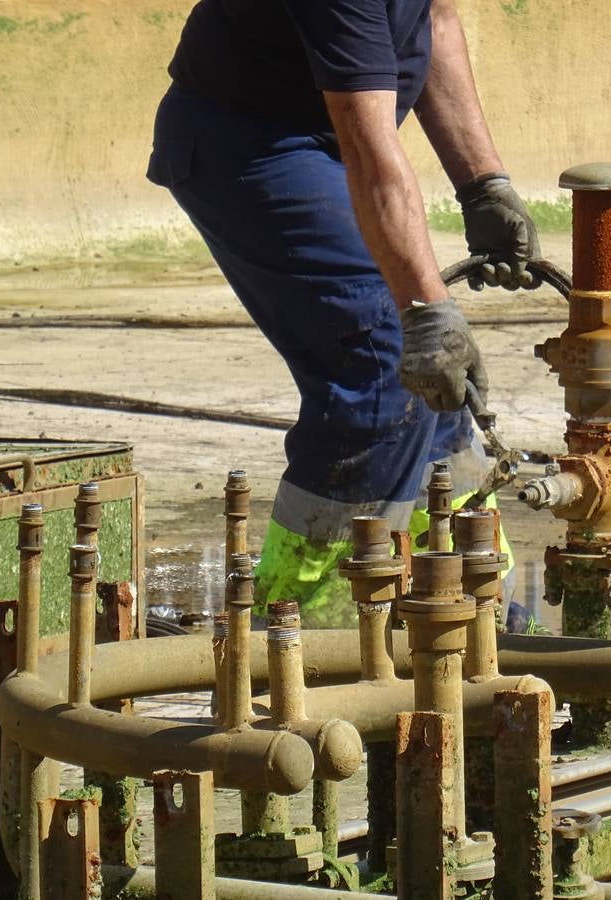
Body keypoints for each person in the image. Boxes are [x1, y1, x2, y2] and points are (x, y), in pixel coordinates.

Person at [146, 0, 536, 624]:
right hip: (253, 142)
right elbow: (368, 144)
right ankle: (306, 636)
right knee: (382, 363)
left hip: (326, 134)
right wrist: (426, 309)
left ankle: (477, 615)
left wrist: (483, 182)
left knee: (434, 387)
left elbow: (436, 19)